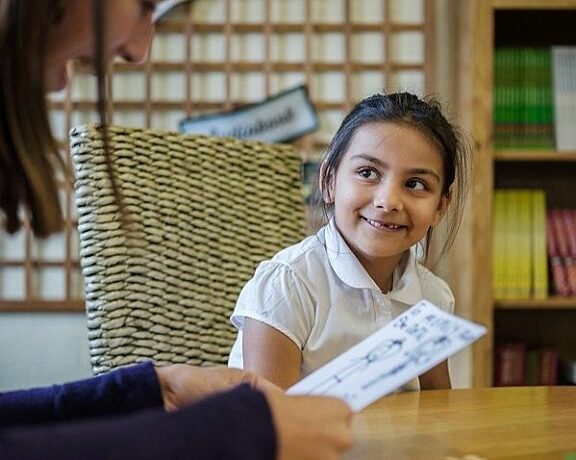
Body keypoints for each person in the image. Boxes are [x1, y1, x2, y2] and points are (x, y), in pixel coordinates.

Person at [0, 1, 353, 459]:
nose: (140, 49)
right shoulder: (286, 280)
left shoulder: (426, 289)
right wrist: (237, 432)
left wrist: (147, 388)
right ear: (328, 180)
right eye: (147, 3)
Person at [228, 92, 470, 390]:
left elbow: (439, 413)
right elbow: (268, 422)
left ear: (440, 207)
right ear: (329, 181)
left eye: (415, 184)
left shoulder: (432, 298)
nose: (388, 201)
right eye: (368, 173)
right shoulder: (287, 286)